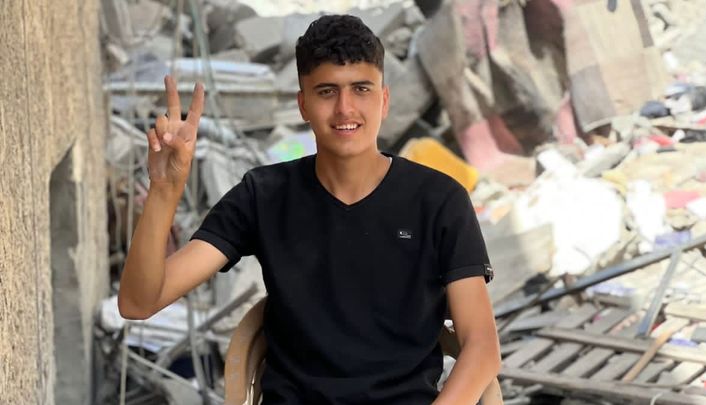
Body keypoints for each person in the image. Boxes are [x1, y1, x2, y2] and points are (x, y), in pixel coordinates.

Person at [119, 14, 501, 405]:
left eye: (361, 89)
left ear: (384, 100)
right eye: (326, 91)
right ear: (302, 104)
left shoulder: (439, 201)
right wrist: (164, 190)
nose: (345, 109)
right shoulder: (264, 196)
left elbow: (482, 346)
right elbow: (138, 302)